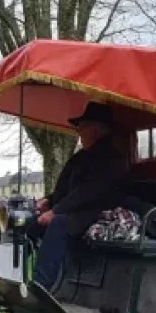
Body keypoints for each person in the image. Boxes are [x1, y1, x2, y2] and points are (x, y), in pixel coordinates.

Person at [31, 102, 130, 290]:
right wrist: (48, 201)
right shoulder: (82, 156)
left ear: (96, 130)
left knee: (58, 224)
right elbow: (67, 187)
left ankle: (42, 284)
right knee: (31, 223)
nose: (79, 132)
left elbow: (87, 192)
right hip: (77, 209)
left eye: (82, 127)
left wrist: (55, 211)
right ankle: (12, 276)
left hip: (97, 211)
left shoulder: (110, 157)